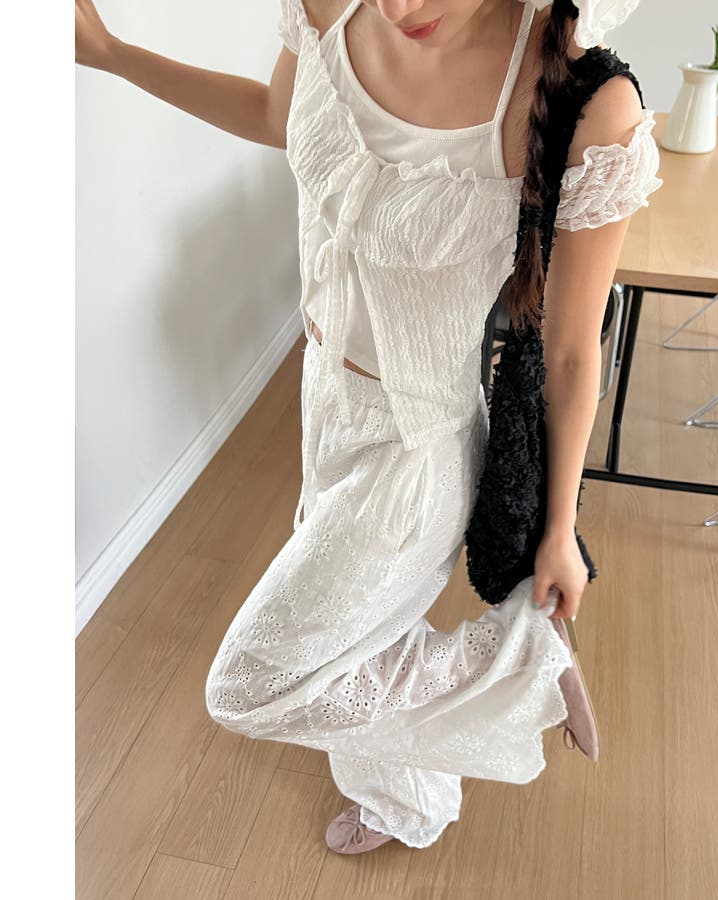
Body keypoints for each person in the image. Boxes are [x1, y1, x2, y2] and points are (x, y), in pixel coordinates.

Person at [75, 0, 662, 854]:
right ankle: (403, 803)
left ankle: (521, 663)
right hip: (322, 399)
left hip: (414, 450)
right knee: (364, 625)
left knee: (248, 684)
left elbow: (572, 353)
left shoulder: (585, 100)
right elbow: (273, 115)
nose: (400, 7)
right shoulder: (327, 8)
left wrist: (561, 528)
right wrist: (113, 54)